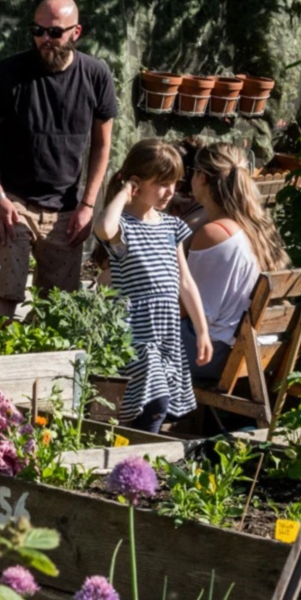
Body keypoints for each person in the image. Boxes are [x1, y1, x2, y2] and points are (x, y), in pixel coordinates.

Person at [0, 0, 116, 316]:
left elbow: (102, 144)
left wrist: (88, 206)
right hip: (14, 203)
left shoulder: (96, 75)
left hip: (66, 209)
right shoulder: (9, 72)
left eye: (54, 32)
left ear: (75, 32)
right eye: (37, 31)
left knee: (56, 310)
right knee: (3, 297)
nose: (44, 39)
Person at [94, 139, 212, 433]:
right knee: (155, 400)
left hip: (165, 331)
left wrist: (202, 330)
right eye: (161, 183)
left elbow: (185, 281)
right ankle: (141, 452)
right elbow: (104, 228)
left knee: (151, 404)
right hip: (135, 332)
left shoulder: (172, 226)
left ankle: (134, 451)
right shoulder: (124, 228)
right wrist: (124, 193)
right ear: (136, 183)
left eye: (174, 183)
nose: (170, 191)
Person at [184, 143, 291, 379]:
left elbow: (193, 310)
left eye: (192, 171)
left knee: (126, 329)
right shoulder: (254, 227)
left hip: (213, 353)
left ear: (201, 177)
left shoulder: (214, 234)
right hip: (255, 348)